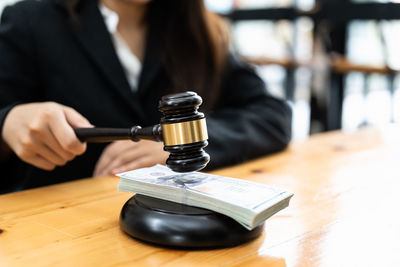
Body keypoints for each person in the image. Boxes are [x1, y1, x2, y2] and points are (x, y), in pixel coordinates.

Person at [0, 0, 292, 193]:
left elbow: (273, 113)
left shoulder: (201, 31)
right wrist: (8, 122)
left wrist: (183, 145)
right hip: (60, 233)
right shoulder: (29, 20)